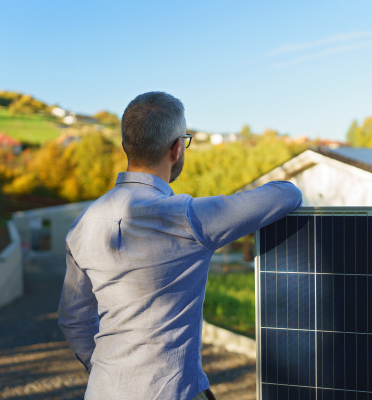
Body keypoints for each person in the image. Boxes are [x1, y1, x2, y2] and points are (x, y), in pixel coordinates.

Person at [58, 91, 302, 399]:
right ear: (176, 148)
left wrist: (106, 375)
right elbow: (286, 195)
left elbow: (73, 320)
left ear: (125, 147)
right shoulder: (187, 219)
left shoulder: (82, 224)